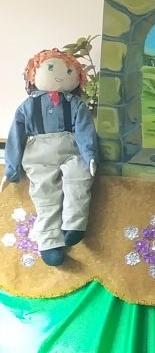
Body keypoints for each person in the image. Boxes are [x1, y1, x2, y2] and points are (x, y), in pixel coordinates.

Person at [1, 49, 98, 266]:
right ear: (33, 74)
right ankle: (48, 242)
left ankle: (75, 224)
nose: (60, 75)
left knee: (79, 177)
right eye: (51, 68)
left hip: (71, 149)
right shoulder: (27, 106)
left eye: (69, 71)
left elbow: (85, 131)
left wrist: (90, 156)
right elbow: (16, 136)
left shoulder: (77, 104)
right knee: (45, 194)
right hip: (39, 154)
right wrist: (12, 168)